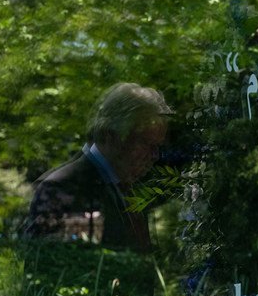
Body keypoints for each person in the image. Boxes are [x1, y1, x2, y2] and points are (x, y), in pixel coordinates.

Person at [24, 83, 172, 254]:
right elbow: (49, 268)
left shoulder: (125, 186)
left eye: (158, 146)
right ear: (111, 137)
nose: (155, 155)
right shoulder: (63, 187)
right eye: (146, 143)